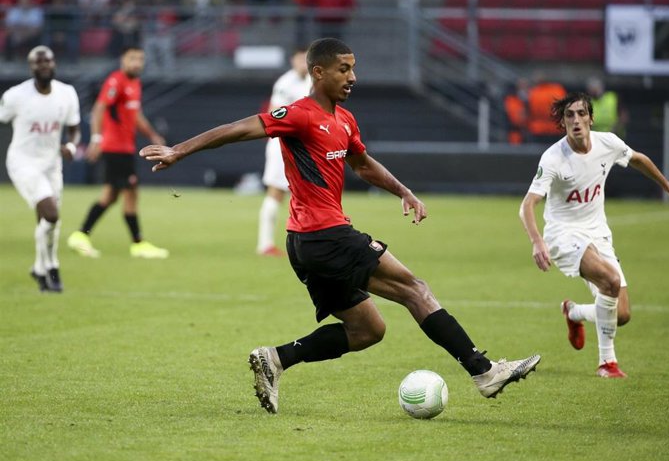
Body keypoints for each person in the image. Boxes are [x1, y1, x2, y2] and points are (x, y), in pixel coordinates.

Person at [140, 38, 541, 414]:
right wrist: (179, 150)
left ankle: (276, 358)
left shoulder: (344, 119)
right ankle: (484, 371)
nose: (352, 77)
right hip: (324, 235)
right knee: (415, 290)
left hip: (311, 242)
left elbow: (363, 165)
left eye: (353, 69)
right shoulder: (299, 114)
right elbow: (238, 129)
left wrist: (404, 191)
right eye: (344, 69)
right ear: (318, 72)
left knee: (367, 329)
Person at [519, 92, 669, 378]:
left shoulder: (607, 143)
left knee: (621, 315)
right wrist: (537, 241)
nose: (576, 120)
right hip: (563, 235)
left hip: (598, 232)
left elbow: (638, 159)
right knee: (610, 280)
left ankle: (573, 313)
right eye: (569, 115)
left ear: (591, 118)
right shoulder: (553, 158)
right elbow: (527, 205)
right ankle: (607, 363)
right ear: (562, 122)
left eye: (581, 114)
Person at [67, 46, 169, 259]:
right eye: (132, 58)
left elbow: (136, 114)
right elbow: (98, 109)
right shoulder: (116, 81)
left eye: (140, 59)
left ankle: (80, 236)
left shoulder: (134, 83)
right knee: (131, 193)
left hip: (125, 147)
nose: (137, 63)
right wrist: (96, 139)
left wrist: (152, 135)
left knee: (110, 196)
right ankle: (138, 244)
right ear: (122, 59)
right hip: (115, 148)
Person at [0, 45, 81, 292]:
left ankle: (42, 268)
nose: (44, 65)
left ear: (54, 63)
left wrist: (71, 146)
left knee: (50, 221)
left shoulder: (67, 93)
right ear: (31, 66)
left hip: (52, 163)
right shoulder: (16, 95)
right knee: (51, 213)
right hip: (23, 162)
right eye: (38, 62)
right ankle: (52, 266)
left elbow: (74, 129)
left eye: (48, 61)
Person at [257, 46, 311, 256]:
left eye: (306, 59)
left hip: (306, 145)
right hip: (283, 143)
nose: (302, 63)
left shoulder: (313, 81)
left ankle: (307, 243)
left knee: (307, 193)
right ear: (292, 60)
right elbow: (273, 114)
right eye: (300, 58)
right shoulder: (285, 83)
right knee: (276, 191)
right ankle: (265, 244)